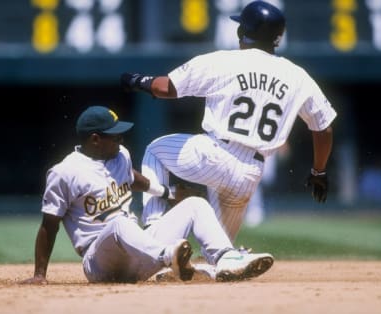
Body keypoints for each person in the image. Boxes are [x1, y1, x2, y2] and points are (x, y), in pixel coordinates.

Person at [120, 0, 337, 241]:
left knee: (156, 151)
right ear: (278, 37)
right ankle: (224, 258)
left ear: (242, 32)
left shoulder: (222, 61)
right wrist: (318, 171)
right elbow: (324, 128)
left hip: (212, 154)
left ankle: (153, 230)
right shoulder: (297, 76)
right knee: (220, 249)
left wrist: (137, 80)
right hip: (250, 173)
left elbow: (166, 88)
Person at [18, 105, 274, 284]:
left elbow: (134, 179)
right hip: (99, 261)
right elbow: (48, 225)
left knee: (195, 204)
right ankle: (168, 258)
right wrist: (40, 274)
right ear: (95, 139)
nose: (120, 138)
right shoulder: (64, 172)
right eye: (114, 135)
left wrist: (169, 192)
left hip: (139, 253)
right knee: (118, 222)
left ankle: (225, 258)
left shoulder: (120, 156)